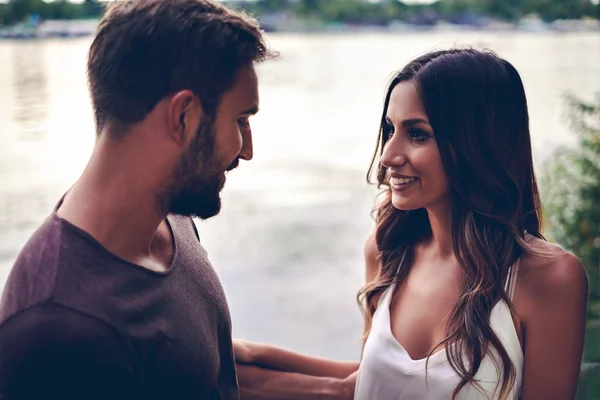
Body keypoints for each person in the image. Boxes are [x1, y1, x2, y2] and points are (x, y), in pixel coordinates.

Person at [233, 49, 589, 400]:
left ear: (476, 145)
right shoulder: (388, 251)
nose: (388, 155)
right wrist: (255, 354)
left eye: (417, 134)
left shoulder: (548, 279)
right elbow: (375, 377)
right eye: (390, 129)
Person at [0, 0, 270, 399]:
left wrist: (347, 387)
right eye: (241, 120)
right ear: (183, 116)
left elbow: (203, 367)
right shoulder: (56, 329)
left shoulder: (169, 219)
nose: (246, 150)